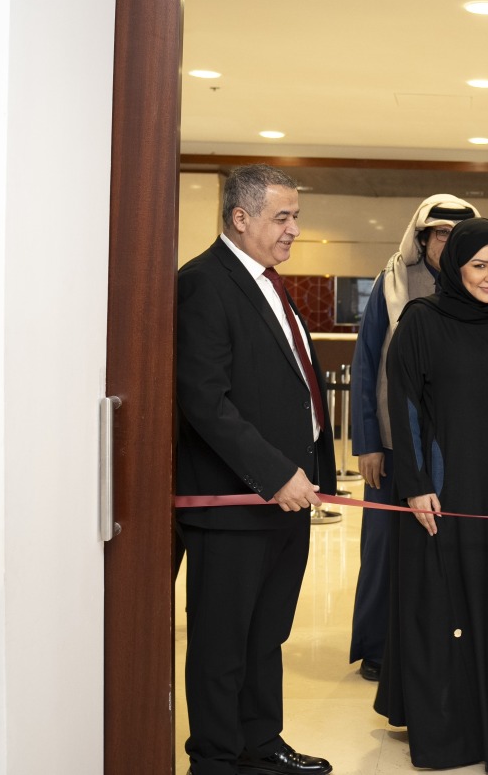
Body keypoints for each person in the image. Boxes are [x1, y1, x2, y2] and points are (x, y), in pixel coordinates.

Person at [374, 217, 488, 772]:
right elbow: (404, 407)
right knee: (444, 610)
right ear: (455, 266)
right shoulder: (421, 323)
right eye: (479, 264)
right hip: (445, 495)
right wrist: (416, 486)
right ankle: (449, 733)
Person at [175, 164, 334, 775]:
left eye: (296, 215)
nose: (295, 229)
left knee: (266, 635)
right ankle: (214, 759)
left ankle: (260, 745)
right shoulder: (204, 283)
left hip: (286, 499)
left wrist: (306, 474)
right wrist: (274, 474)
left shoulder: (268, 281)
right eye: (282, 217)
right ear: (240, 218)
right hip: (234, 503)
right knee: (221, 646)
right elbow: (205, 401)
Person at [347, 194, 478, 682]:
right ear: (422, 238)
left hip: (452, 449)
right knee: (384, 550)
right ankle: (378, 647)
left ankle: (434, 644)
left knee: (442, 552)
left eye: (455, 233)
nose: (447, 242)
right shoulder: (392, 282)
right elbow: (367, 365)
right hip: (393, 445)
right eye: (439, 233)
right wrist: (368, 444)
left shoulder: (476, 284)